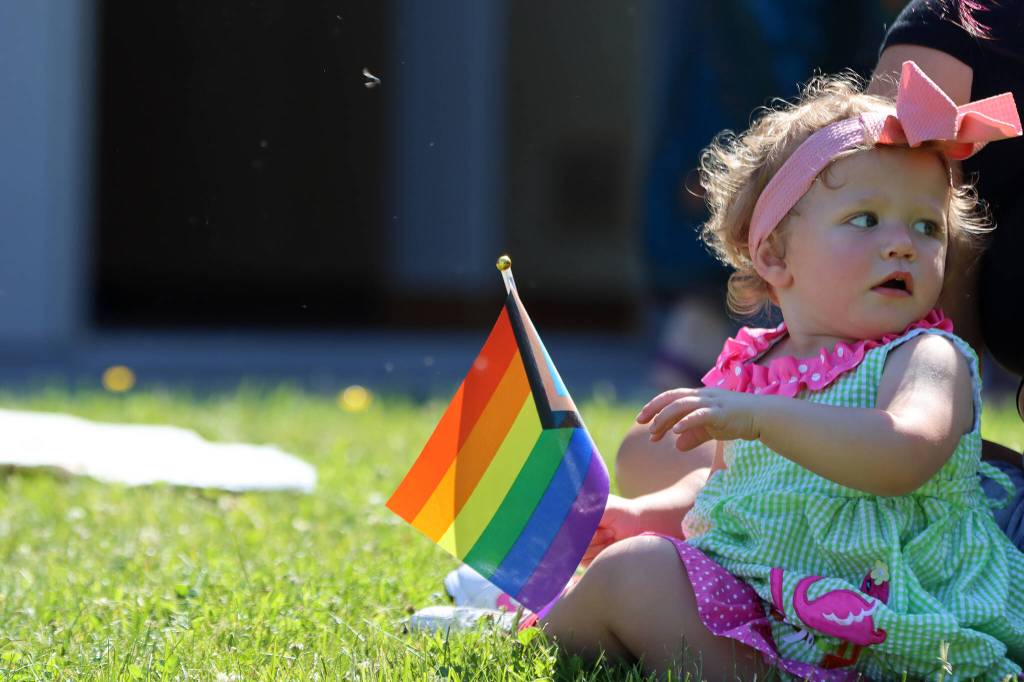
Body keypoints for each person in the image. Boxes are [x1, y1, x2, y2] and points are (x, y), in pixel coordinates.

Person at [538, 63, 1024, 679]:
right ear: (773, 255)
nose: (903, 243)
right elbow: (731, 491)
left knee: (636, 580)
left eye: (927, 227)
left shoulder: (925, 355)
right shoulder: (756, 364)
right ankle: (531, 628)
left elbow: (907, 452)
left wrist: (763, 419)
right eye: (866, 219)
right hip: (765, 620)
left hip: (889, 636)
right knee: (631, 568)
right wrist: (645, 514)